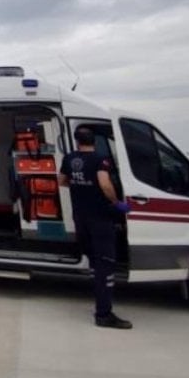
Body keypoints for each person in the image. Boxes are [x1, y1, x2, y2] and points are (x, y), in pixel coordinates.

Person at [59, 127, 133, 329]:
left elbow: (62, 181)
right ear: (95, 141)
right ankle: (104, 314)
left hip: (80, 218)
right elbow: (105, 184)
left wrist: (79, 187)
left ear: (76, 141)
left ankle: (101, 302)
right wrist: (117, 203)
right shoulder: (101, 159)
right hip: (100, 219)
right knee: (105, 265)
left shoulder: (68, 158)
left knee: (94, 263)